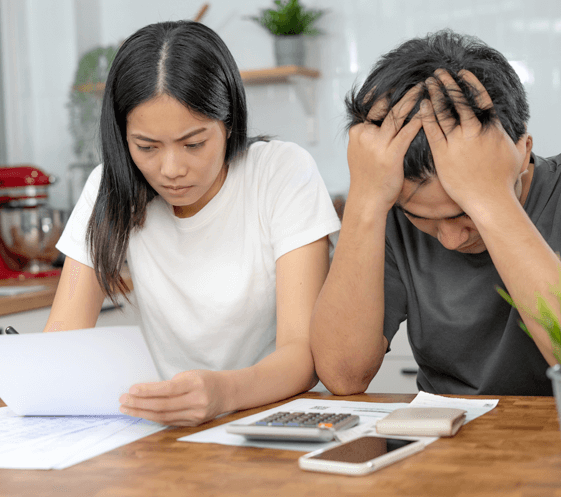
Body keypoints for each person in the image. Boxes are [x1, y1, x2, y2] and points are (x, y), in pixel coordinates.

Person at [48, 20, 341, 425]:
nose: (171, 169)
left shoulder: (281, 172)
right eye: (147, 147)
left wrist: (224, 392)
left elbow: (303, 354)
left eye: (194, 144)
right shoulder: (110, 189)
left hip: (274, 421)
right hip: (167, 433)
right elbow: (61, 343)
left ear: (230, 122)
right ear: (122, 138)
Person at [310, 29, 561, 396]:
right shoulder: (388, 203)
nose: (451, 240)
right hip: (445, 443)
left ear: (522, 151)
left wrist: (489, 198)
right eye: (421, 217)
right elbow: (343, 376)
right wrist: (365, 199)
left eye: (462, 213)